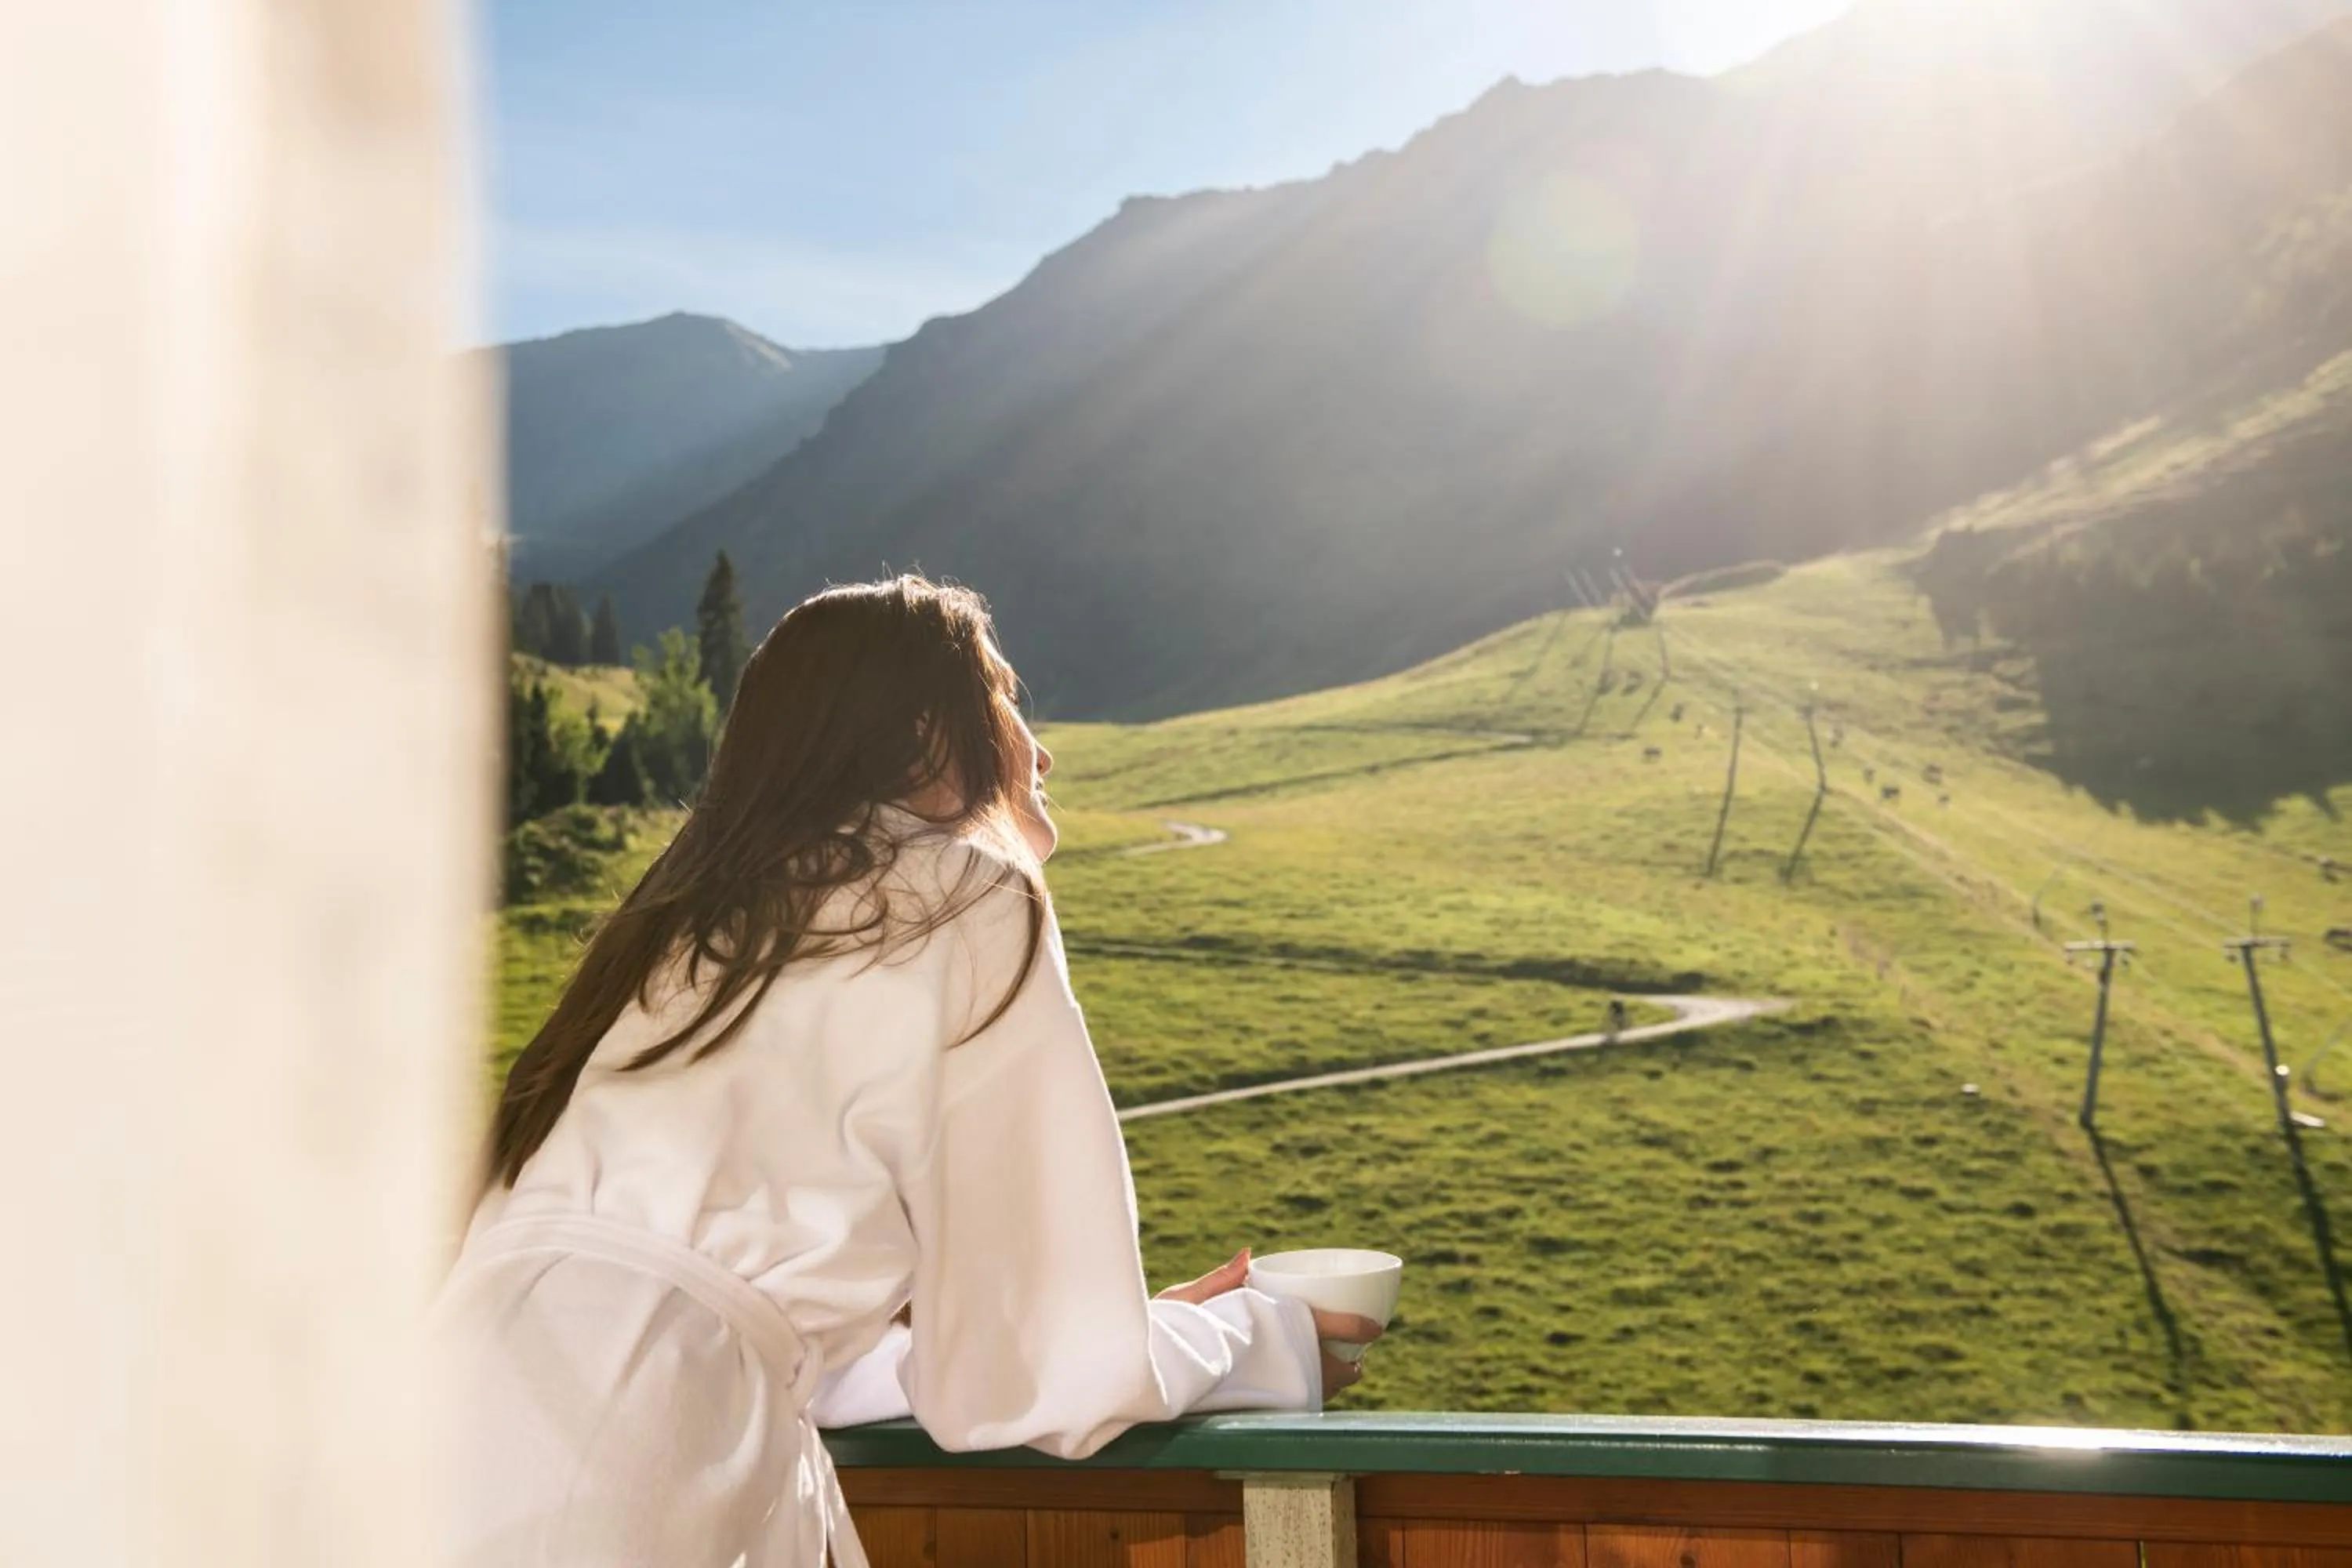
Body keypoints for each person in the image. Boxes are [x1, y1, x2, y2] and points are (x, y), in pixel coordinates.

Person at [434, 576, 1380, 1568]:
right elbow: (1053, 1376)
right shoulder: (959, 891)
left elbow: (777, 1330)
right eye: (1009, 698)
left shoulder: (691, 924)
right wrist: (1263, 1337)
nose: (1038, 747)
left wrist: (1127, 1322)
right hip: (627, 1459)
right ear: (930, 731)